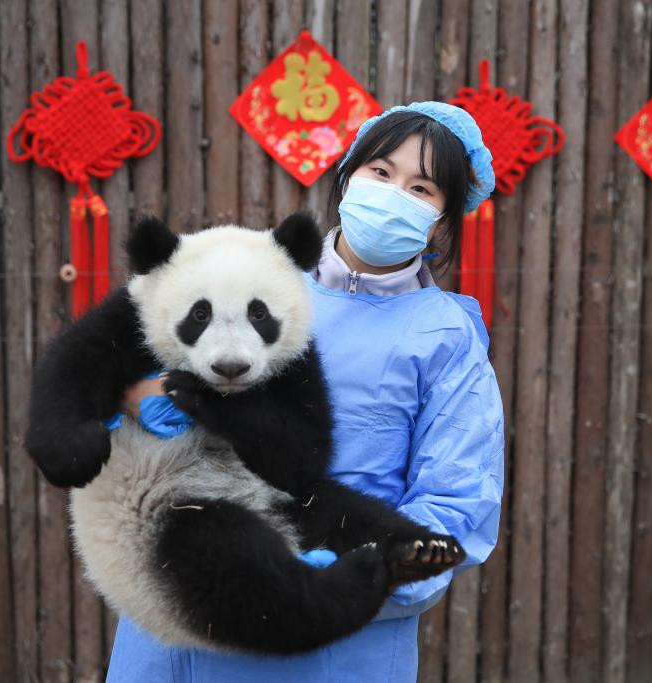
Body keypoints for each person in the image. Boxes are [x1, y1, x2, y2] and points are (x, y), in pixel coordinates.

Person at [105, 101, 505, 682]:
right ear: (347, 177)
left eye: (421, 189)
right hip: (188, 596)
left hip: (333, 637)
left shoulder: (445, 338)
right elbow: (130, 366)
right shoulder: (254, 278)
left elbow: (456, 505)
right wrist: (132, 399)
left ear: (443, 220)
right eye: (381, 172)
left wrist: (347, 577)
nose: (393, 195)